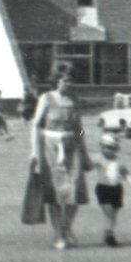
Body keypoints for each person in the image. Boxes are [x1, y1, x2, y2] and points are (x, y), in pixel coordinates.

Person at [28, 74, 90, 250]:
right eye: (63, 80)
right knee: (54, 192)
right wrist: (34, 151)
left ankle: (66, 228)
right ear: (56, 82)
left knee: (76, 190)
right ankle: (59, 235)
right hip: (50, 147)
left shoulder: (74, 100)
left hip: (72, 147)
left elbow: (79, 128)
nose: (67, 83)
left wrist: (84, 151)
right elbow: (36, 125)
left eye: (70, 80)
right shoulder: (46, 98)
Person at [90, 132, 131, 247]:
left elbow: (124, 172)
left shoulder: (119, 160)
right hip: (103, 188)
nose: (108, 150)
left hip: (117, 188)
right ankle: (109, 235)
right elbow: (89, 166)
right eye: (105, 147)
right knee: (108, 212)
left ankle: (108, 232)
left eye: (112, 148)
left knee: (113, 214)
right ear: (101, 147)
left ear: (117, 148)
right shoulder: (98, 158)